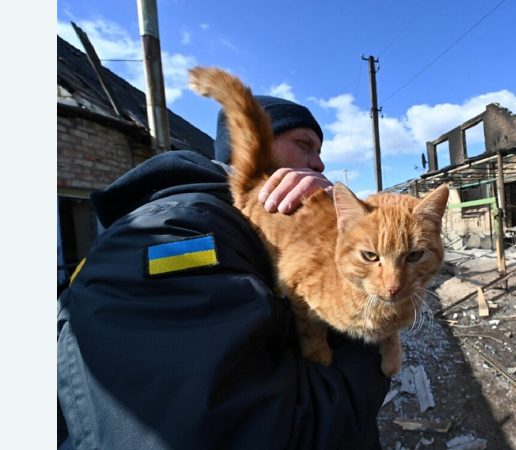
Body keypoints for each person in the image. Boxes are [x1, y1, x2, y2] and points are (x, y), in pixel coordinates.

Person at [57, 96, 390, 450]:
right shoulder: (175, 233)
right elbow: (265, 431)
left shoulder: (238, 226)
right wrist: (368, 339)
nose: (320, 163)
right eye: (303, 144)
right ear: (252, 147)